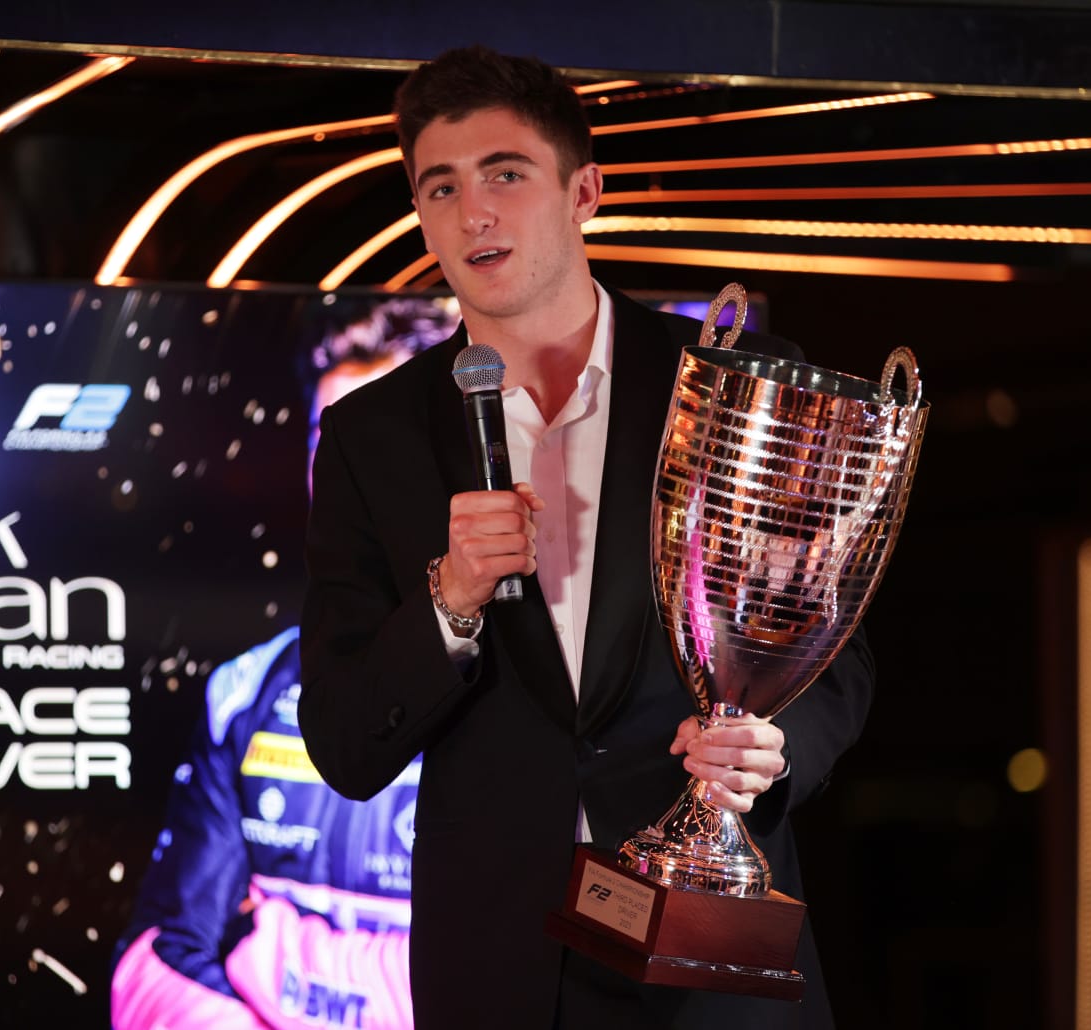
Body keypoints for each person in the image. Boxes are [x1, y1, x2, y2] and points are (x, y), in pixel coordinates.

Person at [298, 46, 875, 1030]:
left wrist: (773, 749)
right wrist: (450, 601)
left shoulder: (733, 383)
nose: (472, 212)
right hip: (499, 968)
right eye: (440, 187)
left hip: (707, 951)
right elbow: (347, 741)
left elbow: (839, 653)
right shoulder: (373, 434)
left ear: (585, 192)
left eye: (505, 175)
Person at [111, 296, 459, 1030]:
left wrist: (277, 953)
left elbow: (541, 971)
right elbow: (151, 967)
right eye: (327, 442)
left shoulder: (543, 688)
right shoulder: (243, 691)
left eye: (380, 444)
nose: (348, 476)